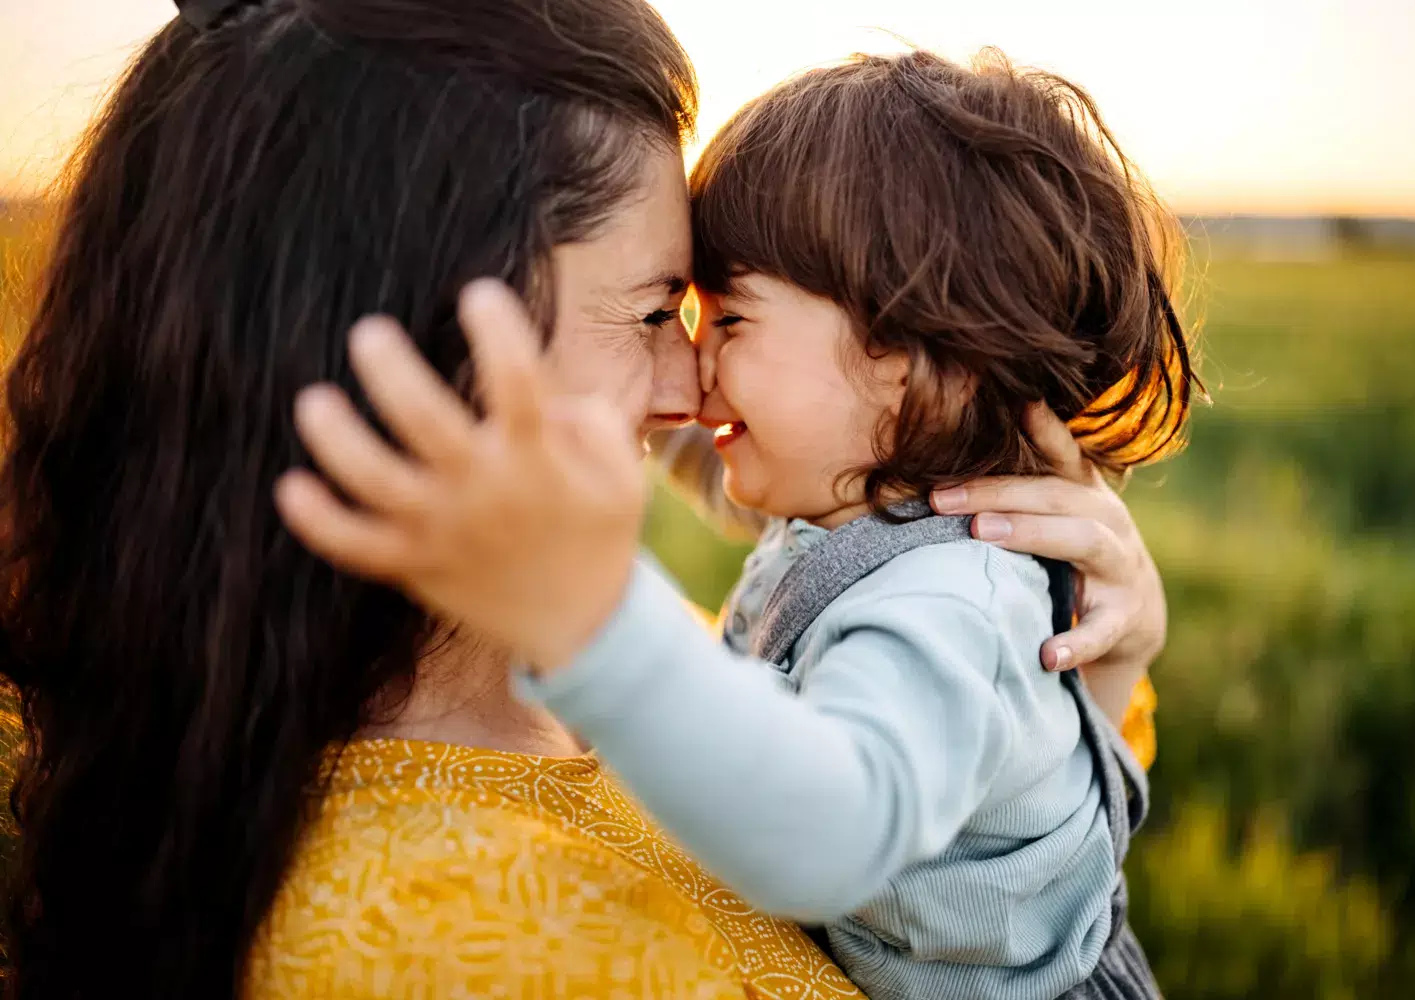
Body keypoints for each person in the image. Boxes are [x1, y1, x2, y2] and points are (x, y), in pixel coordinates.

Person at [0, 0, 1165, 998]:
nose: (689, 381)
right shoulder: (435, 935)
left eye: (718, 318)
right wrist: (599, 619)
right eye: (662, 310)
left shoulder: (584, 698)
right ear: (427, 346)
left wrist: (1092, 670)